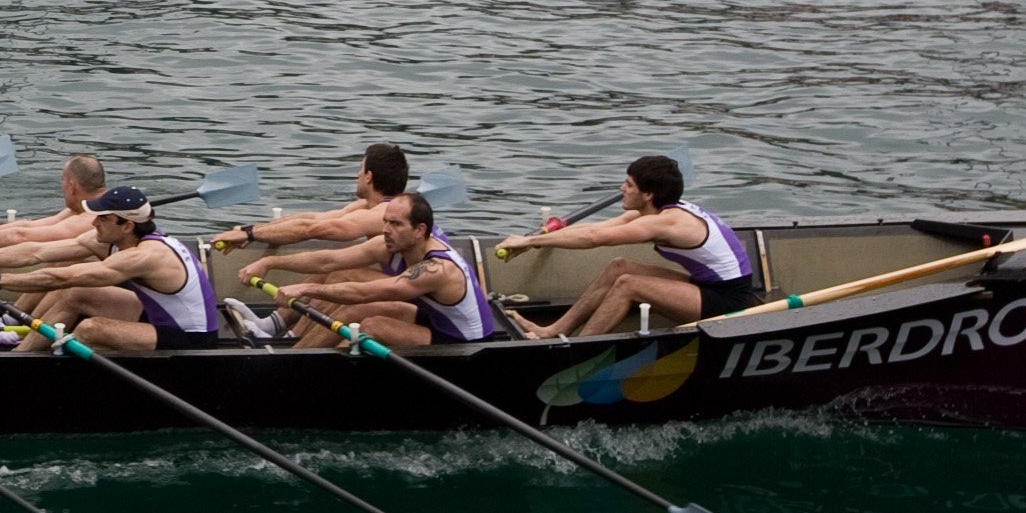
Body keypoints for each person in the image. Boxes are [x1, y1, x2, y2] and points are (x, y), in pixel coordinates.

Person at [495, 154, 762, 336]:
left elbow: (594, 240)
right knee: (619, 267)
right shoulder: (655, 211)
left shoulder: (667, 223)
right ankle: (552, 332)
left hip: (729, 301)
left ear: (648, 194)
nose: (622, 188)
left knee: (628, 284)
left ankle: (577, 348)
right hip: (706, 286)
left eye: (629, 184)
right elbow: (594, 228)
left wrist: (530, 240)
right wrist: (534, 242)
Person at [0, 187, 220, 354]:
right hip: (155, 317)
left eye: (104, 218)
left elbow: (61, 276)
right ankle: (21, 354)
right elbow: (36, 252)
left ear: (127, 225)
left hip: (191, 339)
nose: (95, 223)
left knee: (91, 328)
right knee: (76, 294)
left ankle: (58, 359)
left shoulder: (146, 256)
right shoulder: (113, 239)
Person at [269, 194, 496, 350]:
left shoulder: (437, 269)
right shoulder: (394, 244)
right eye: (386, 222)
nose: (386, 230)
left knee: (371, 326)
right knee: (353, 313)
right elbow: (328, 260)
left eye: (396, 224)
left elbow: (364, 292)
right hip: (436, 320)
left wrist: (307, 289)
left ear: (419, 230)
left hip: (463, 341)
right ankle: (296, 356)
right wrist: (270, 262)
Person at [204, 143, 409, 253]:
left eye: (360, 169)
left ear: (369, 176)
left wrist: (250, 235)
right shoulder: (365, 206)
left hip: (411, 296)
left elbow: (312, 230)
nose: (356, 175)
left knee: (338, 273)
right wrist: (253, 229)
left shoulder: (384, 213)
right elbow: (313, 218)